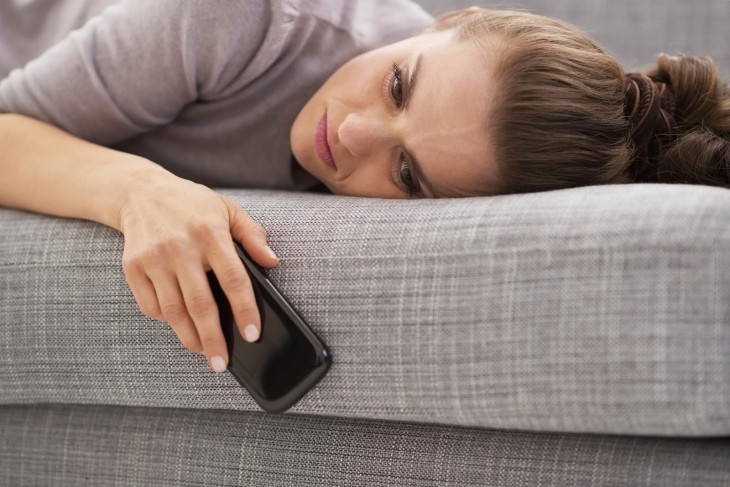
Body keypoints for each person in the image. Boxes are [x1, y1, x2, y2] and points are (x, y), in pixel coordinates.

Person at [1, 1, 728, 374]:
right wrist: (137, 191)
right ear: (456, 20)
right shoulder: (247, 17)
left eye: (407, 174)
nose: (350, 136)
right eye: (398, 85)